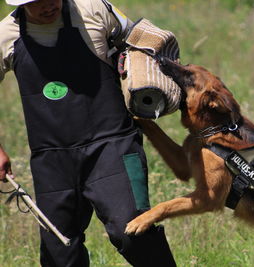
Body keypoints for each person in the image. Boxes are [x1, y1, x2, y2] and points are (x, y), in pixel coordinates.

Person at [0, 0, 176, 266]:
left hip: (114, 145)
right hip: (51, 160)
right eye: (35, 2)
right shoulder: (6, 36)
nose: (47, 5)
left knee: (133, 232)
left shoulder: (93, 8)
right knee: (59, 252)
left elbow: (141, 41)